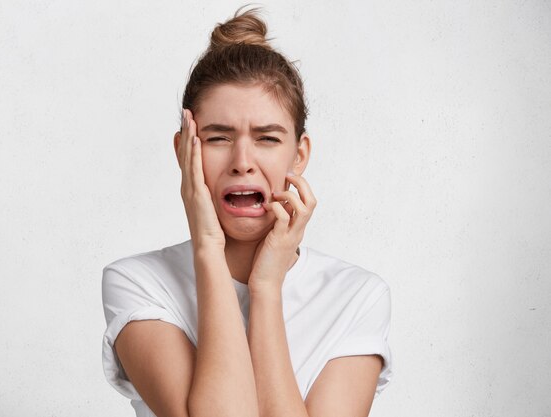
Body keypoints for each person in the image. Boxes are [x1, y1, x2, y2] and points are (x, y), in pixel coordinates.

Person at [102, 6, 392, 417]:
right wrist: (207, 247)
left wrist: (266, 288)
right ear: (186, 151)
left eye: (267, 139)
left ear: (299, 155)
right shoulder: (137, 284)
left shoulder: (356, 297)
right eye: (218, 137)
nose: (242, 161)